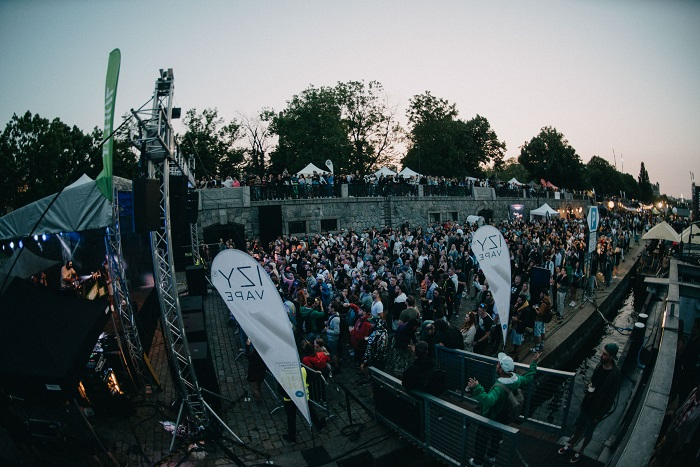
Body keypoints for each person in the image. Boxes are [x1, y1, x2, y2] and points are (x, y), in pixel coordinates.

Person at [467, 351, 541, 466]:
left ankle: (478, 462)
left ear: (501, 370)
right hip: (504, 416)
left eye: (498, 364)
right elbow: (528, 378)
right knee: (496, 438)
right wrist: (533, 363)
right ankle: (491, 456)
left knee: (481, 439)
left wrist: (477, 388)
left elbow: (488, 401)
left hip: (491, 416)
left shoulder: (499, 388)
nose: (497, 365)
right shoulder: (516, 379)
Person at [558, 343, 622, 463]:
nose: (601, 355)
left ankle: (581, 450)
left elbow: (610, 398)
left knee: (588, 431)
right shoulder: (599, 365)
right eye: (602, 353)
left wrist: (600, 415)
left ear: (611, 357)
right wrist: (589, 385)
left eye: (605, 354)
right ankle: (571, 444)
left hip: (596, 408)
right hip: (587, 402)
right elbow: (593, 379)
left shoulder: (615, 374)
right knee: (579, 425)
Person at [280, 366, 326, 443]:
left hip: (289, 400)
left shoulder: (281, 373)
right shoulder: (303, 369)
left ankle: (292, 437)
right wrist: (318, 374)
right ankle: (319, 427)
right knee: (311, 412)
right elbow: (311, 377)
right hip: (302, 397)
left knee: (291, 418)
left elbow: (280, 390)